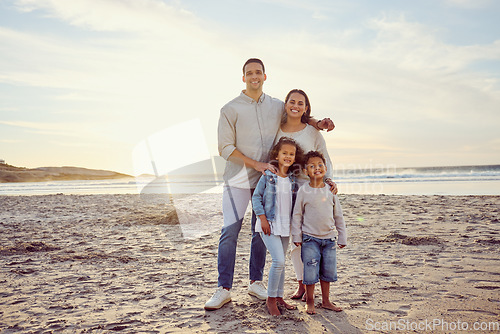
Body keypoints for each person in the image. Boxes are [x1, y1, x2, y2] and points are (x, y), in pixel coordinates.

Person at [204, 58, 336, 311]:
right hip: (239, 179)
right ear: (243, 78)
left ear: (265, 76)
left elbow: (298, 116)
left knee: (260, 233)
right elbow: (225, 148)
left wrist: (318, 123)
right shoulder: (230, 109)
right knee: (230, 231)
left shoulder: (276, 105)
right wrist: (256, 164)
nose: (254, 76)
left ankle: (255, 282)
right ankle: (223, 289)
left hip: (270, 182)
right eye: (249, 73)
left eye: (258, 72)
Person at [274, 89, 335, 301]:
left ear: (306, 108)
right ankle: (301, 284)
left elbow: (324, 159)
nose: (296, 106)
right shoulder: (276, 129)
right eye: (292, 102)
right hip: (282, 189)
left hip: (309, 189)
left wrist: (328, 182)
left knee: (310, 237)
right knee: (294, 239)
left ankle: (314, 284)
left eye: (301, 103)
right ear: (286, 105)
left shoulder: (312, 132)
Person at [291, 151, 347, 315]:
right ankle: (310, 302)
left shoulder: (331, 191)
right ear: (305, 171)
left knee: (327, 271)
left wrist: (342, 236)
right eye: (312, 166)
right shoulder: (303, 191)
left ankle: (326, 301)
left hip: (329, 239)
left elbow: (338, 215)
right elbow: (297, 215)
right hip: (310, 239)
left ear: (326, 168)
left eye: (320, 165)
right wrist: (297, 236)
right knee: (310, 270)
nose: (317, 168)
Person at [251, 137, 302, 315]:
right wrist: (262, 218)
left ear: (295, 157)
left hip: (285, 225)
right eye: (284, 153)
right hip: (269, 224)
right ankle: (271, 300)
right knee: (278, 261)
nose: (288, 156)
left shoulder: (293, 179)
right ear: (277, 155)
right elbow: (256, 197)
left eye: (291, 154)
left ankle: (280, 297)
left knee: (282, 263)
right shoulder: (268, 175)